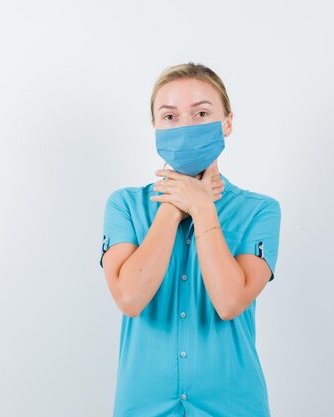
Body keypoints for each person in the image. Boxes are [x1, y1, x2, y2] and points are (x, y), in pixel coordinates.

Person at [99, 62, 282, 417]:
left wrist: (202, 208)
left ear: (227, 123)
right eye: (170, 117)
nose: (185, 126)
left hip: (232, 406)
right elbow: (130, 298)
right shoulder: (124, 205)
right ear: (154, 127)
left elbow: (230, 302)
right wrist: (173, 206)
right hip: (143, 407)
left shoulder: (261, 211)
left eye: (201, 113)